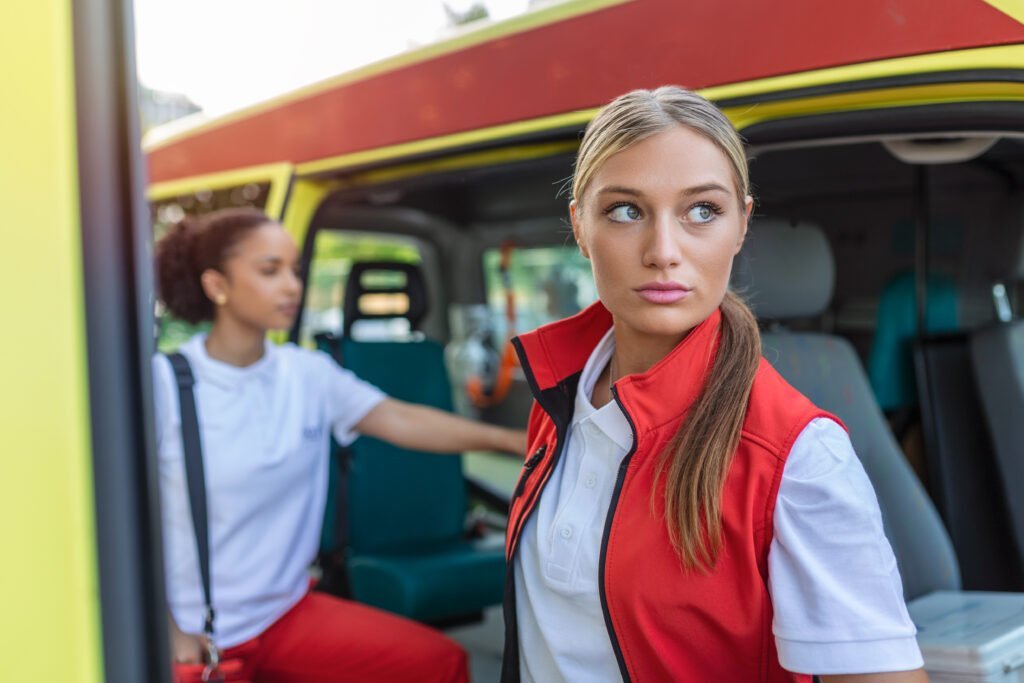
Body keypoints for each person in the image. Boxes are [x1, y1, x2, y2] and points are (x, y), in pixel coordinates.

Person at [503, 87, 929, 682]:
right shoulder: (559, 392)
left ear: (741, 225)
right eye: (625, 210)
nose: (663, 252)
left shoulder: (797, 457)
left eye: (701, 210)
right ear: (579, 226)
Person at [152, 207, 526, 683]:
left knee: (440, 665)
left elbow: (401, 418)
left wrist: (514, 439)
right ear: (217, 286)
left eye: (295, 271)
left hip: (285, 613)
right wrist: (167, 631)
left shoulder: (307, 374)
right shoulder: (164, 385)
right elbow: (123, 526)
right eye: (270, 271)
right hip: (192, 631)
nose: (292, 286)